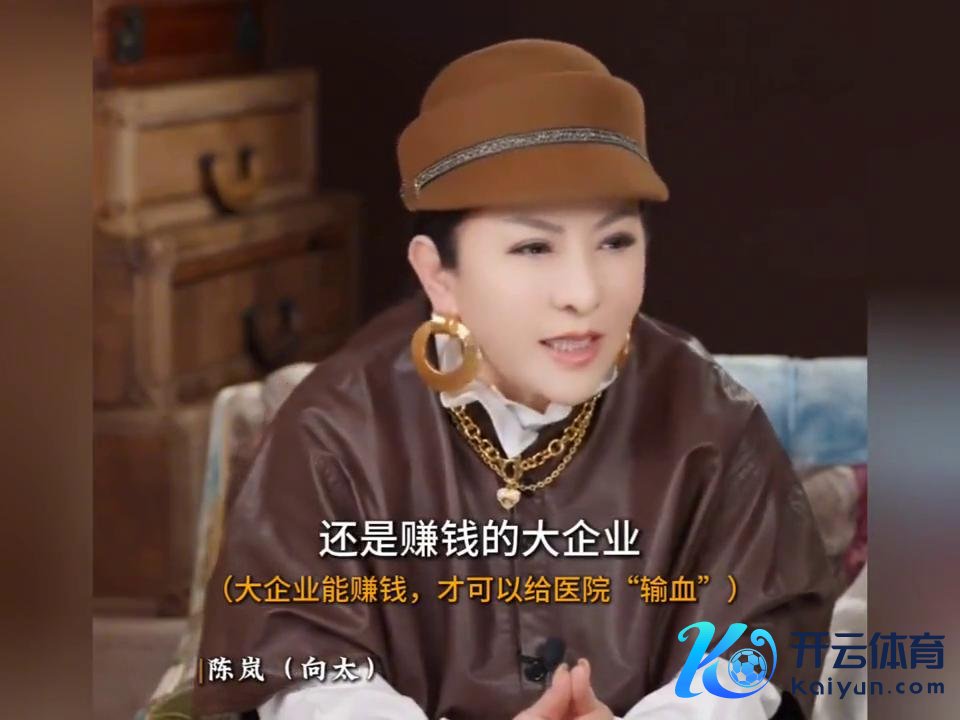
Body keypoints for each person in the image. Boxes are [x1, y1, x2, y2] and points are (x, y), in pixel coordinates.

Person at [193, 39, 834, 720]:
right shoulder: (336, 428)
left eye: (615, 242)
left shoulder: (711, 420)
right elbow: (298, 664)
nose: (584, 293)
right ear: (438, 274)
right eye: (533, 247)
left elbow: (756, 647)